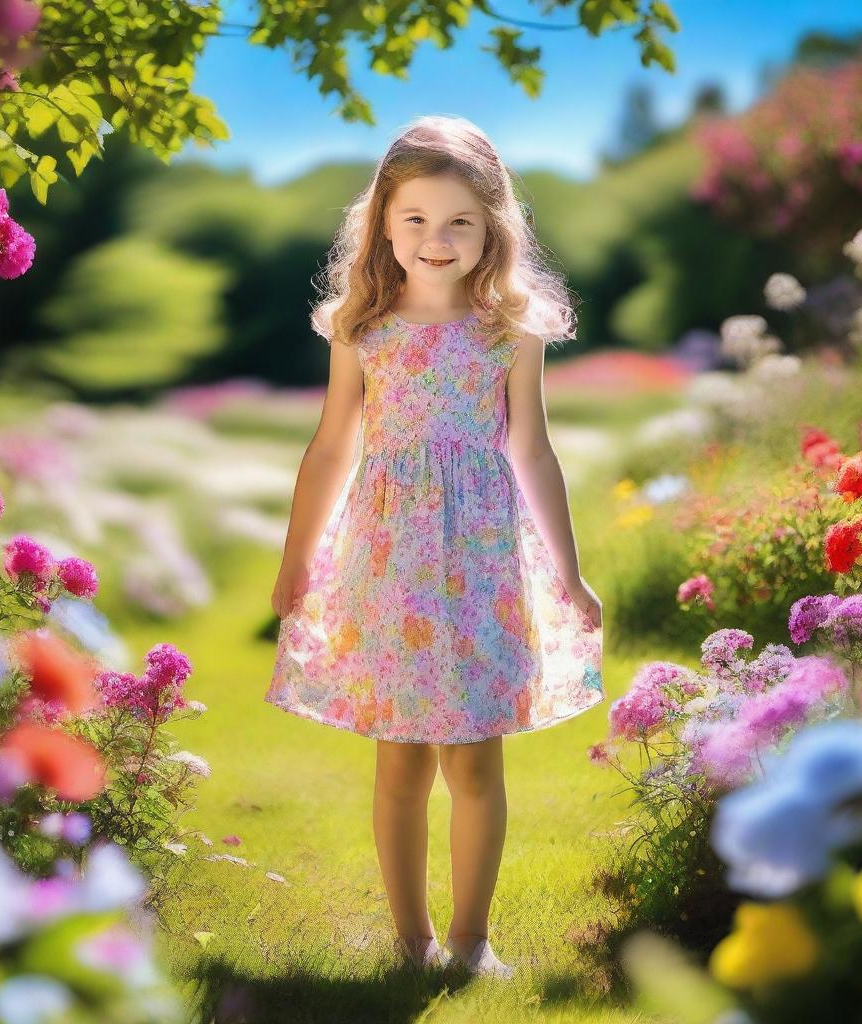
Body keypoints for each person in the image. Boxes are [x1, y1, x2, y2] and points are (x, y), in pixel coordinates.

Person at [264, 114, 604, 980]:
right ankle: (410, 944)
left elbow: (531, 448)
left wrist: (568, 572)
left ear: (493, 227)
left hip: (484, 563)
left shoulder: (510, 331)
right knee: (401, 762)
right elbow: (333, 445)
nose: (436, 239)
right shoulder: (362, 327)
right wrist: (297, 556)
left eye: (459, 220)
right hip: (388, 561)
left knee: (476, 759)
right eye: (415, 218)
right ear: (382, 223)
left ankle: (470, 943)